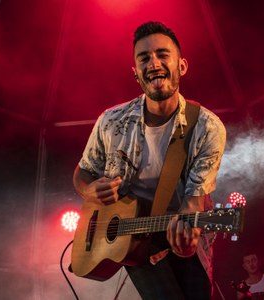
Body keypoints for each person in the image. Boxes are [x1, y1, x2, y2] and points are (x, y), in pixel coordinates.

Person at [73, 21, 226, 299]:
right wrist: (88, 189)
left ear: (182, 66)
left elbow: (193, 201)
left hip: (180, 228)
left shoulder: (206, 126)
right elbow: (83, 173)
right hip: (132, 238)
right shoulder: (111, 122)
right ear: (136, 74)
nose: (153, 63)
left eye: (162, 54)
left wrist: (187, 235)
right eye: (144, 58)